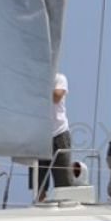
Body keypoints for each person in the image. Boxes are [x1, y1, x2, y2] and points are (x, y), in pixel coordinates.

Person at [33, 72, 71, 201]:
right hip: (40, 136)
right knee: (38, 184)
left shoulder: (59, 78)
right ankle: (40, 204)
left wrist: (38, 89)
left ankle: (64, 206)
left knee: (63, 181)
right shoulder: (35, 80)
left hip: (59, 134)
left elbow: (56, 97)